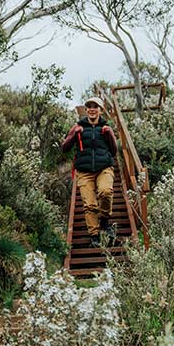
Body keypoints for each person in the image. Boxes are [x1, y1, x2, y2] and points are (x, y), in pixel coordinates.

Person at [62, 96, 117, 247]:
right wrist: (73, 134)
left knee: (105, 192)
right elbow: (64, 148)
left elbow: (114, 151)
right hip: (84, 171)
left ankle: (105, 221)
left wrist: (110, 135)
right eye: (89, 107)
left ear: (100, 110)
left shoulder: (106, 128)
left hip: (104, 168)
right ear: (86, 110)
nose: (92, 109)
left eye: (96, 106)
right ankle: (94, 236)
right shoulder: (78, 128)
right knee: (90, 205)